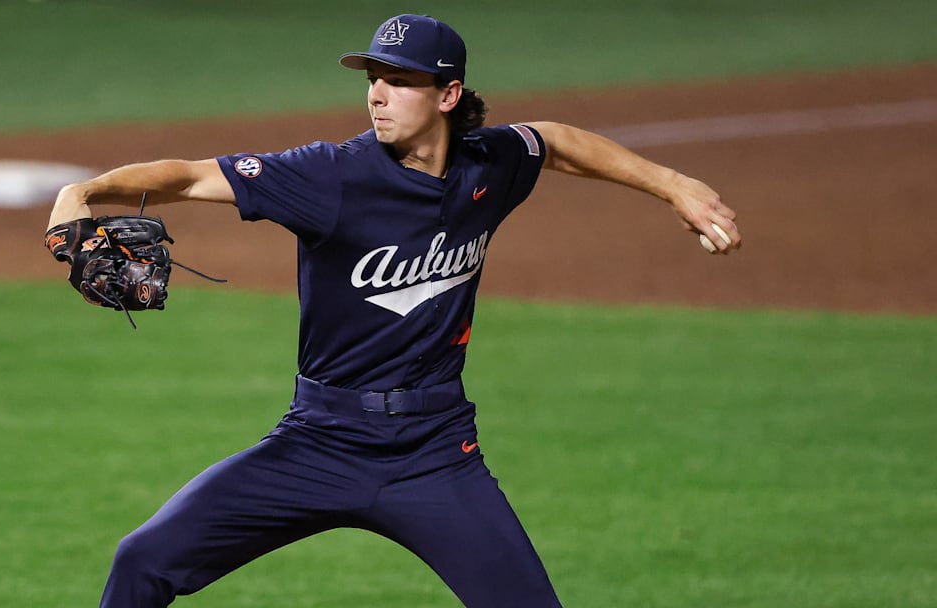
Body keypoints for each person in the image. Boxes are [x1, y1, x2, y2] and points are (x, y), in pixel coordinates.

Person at [47, 13, 741, 608]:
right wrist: (88, 190)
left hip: (434, 453)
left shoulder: (487, 166)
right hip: (316, 442)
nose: (377, 94)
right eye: (373, 77)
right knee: (142, 560)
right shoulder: (329, 175)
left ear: (448, 94)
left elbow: (554, 140)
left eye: (399, 79)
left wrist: (672, 184)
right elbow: (193, 175)